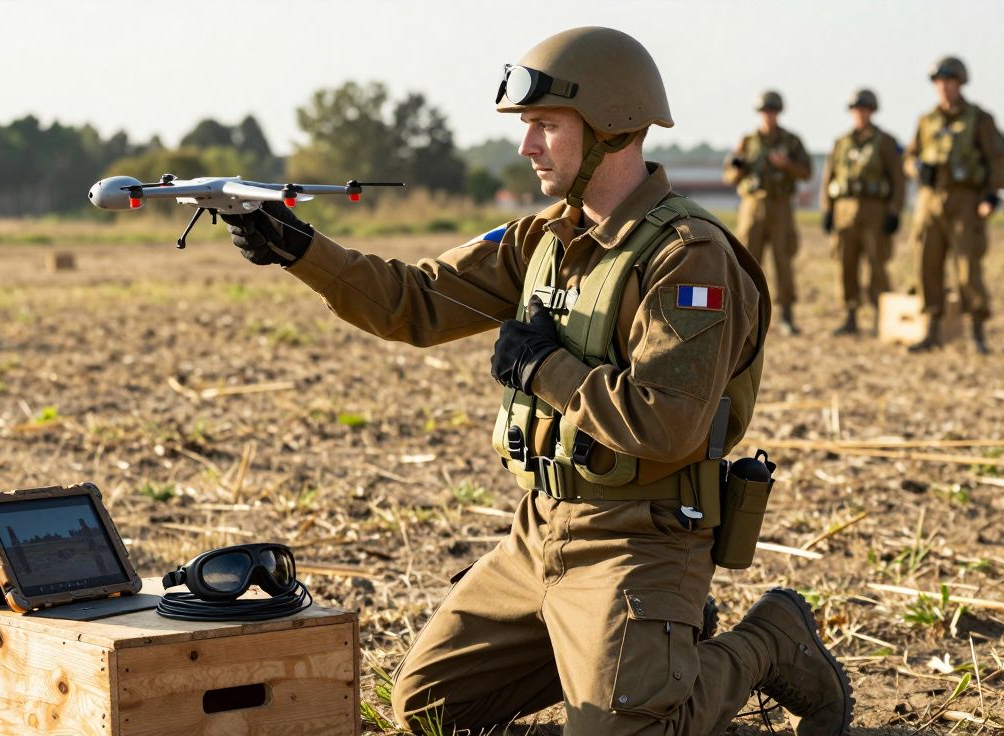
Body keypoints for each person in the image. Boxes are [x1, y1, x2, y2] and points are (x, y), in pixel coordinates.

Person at [221, 26, 851, 736]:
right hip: (539, 533)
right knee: (429, 710)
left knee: (629, 733)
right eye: (527, 126)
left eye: (546, 126)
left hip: (641, 540)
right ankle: (638, 650)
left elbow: (667, 425)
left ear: (612, 128)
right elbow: (416, 302)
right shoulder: (541, 239)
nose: (527, 146)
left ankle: (768, 641)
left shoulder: (689, 258)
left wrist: (541, 367)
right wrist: (301, 249)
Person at [904, 56, 1003, 354]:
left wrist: (991, 195)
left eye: (950, 82)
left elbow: (998, 159)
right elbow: (909, 157)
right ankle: (932, 329)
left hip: (966, 200)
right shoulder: (926, 121)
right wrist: (916, 168)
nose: (944, 88)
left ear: (960, 83)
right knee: (926, 264)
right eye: (940, 83)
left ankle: (976, 330)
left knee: (967, 266)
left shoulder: (979, 119)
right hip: (930, 200)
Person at [724, 91, 813, 336]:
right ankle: (746, 317)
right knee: (748, 262)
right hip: (752, 206)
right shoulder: (747, 141)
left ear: (779, 113)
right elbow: (729, 175)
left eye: (773, 111)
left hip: (781, 206)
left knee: (783, 260)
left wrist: (787, 165)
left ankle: (786, 315)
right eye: (765, 111)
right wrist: (738, 167)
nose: (769, 116)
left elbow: (807, 172)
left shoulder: (791, 141)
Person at [820, 89, 906, 335]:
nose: (860, 113)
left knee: (877, 263)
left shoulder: (886, 142)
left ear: (872, 111)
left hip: (874, 212)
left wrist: (894, 211)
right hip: (844, 213)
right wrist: (827, 210)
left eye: (865, 109)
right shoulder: (841, 143)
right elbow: (829, 178)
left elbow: (898, 180)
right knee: (845, 265)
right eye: (856, 109)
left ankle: (882, 316)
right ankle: (850, 316)